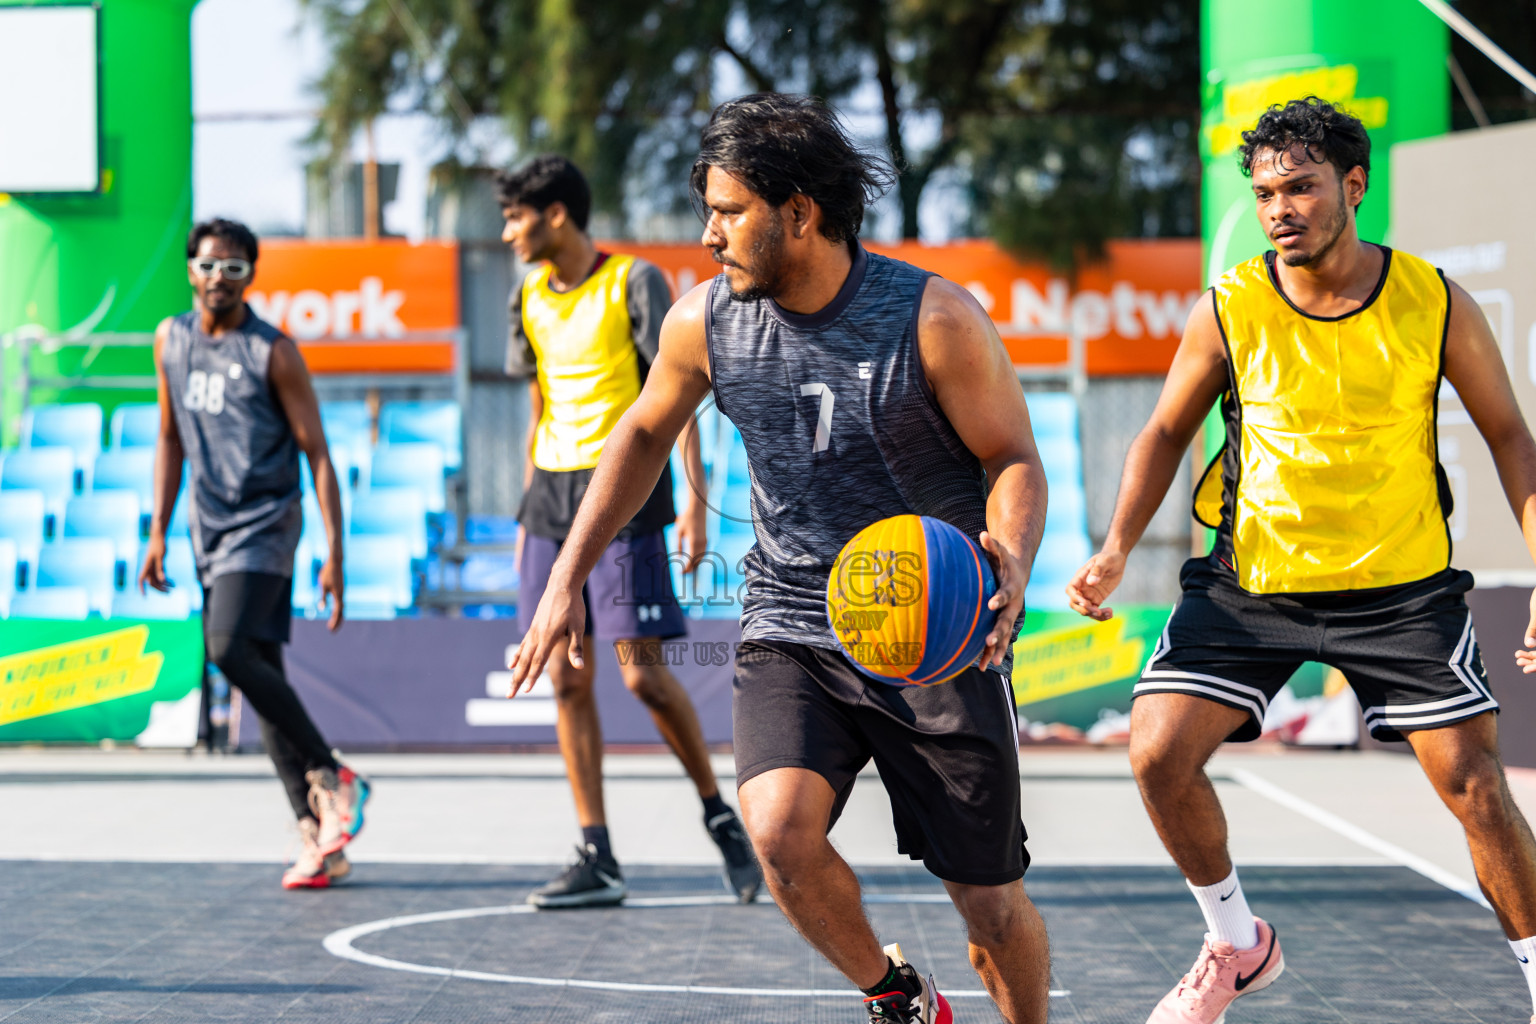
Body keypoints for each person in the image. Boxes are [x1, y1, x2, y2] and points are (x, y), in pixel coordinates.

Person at [509, 95, 1052, 1024]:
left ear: (798, 212)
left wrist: (1010, 553)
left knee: (990, 907)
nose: (710, 233)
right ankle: (899, 998)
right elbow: (639, 437)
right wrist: (564, 582)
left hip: (934, 631)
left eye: (729, 211)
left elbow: (1012, 459)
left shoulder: (933, 318)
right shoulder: (703, 322)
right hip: (794, 618)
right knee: (780, 836)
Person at [1067, 97, 1536, 1024]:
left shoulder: (1437, 302)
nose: (1280, 207)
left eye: (1302, 186)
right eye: (1266, 191)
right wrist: (1116, 546)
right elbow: (1163, 432)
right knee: (1156, 751)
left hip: (1401, 592)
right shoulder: (1230, 308)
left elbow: (1512, 438)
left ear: (1354, 186)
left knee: (1477, 790)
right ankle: (1236, 942)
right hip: (1253, 588)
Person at [499, 155, 761, 908]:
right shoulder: (527, 296)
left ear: (556, 214)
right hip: (550, 498)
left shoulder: (634, 283)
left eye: (517, 216)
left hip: (626, 495)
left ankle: (721, 817)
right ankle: (597, 853)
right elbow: (539, 406)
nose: (509, 231)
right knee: (565, 676)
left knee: (642, 672)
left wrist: (695, 500)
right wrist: (529, 518)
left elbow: (673, 395)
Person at [139, 217, 370, 891]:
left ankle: (334, 773)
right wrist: (157, 529)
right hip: (206, 529)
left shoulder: (273, 351)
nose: (220, 278)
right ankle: (318, 836)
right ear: (190, 270)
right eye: (210, 265)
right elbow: (168, 437)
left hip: (267, 524)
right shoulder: (169, 340)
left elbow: (319, 453)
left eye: (234, 268)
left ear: (251, 277)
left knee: (227, 650)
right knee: (258, 676)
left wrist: (335, 552)